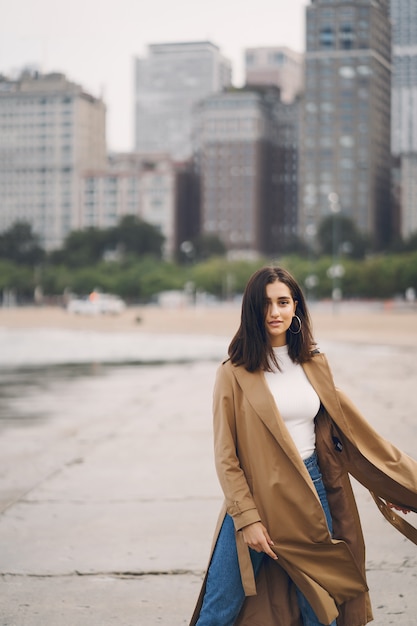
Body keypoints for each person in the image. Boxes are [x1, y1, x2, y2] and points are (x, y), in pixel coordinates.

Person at [189, 266, 417, 626]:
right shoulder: (233, 372)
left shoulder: (313, 364)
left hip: (312, 493)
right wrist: (248, 519)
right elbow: (225, 455)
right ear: (252, 310)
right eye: (265, 304)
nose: (274, 312)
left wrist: (387, 485)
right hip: (255, 495)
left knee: (320, 608)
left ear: (296, 307)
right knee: (219, 608)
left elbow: (351, 436)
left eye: (283, 302)